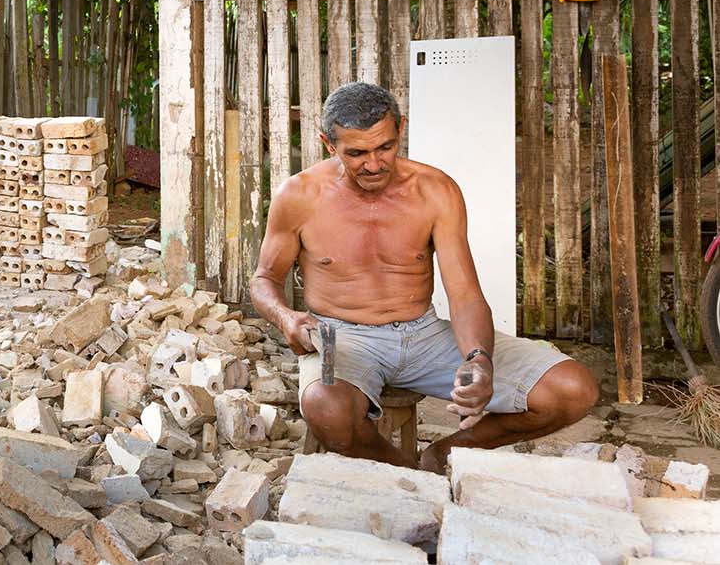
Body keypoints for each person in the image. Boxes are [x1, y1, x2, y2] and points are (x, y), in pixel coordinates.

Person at [248, 82, 598, 472]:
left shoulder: (434, 190)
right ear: (328, 145)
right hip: (342, 337)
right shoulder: (298, 195)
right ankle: (408, 473)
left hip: (424, 334)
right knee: (326, 409)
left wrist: (479, 360)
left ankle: (443, 455)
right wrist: (286, 317)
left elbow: (464, 294)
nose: (375, 164)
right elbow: (264, 279)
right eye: (357, 153)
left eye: (385, 147)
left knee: (573, 390)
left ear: (401, 128)